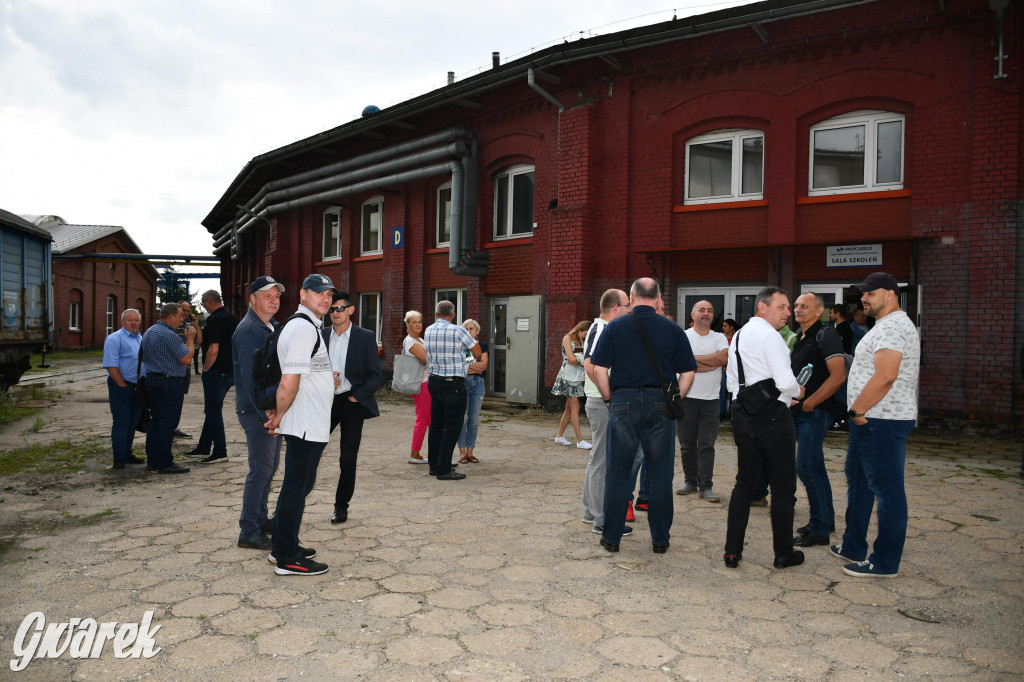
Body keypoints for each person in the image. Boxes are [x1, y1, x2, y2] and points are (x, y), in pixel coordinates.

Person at [590, 278, 696, 554]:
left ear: (632, 296)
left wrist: (609, 399)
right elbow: (688, 371)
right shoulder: (673, 329)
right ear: (658, 297)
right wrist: (675, 398)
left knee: (618, 472)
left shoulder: (615, 327)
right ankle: (660, 540)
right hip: (660, 402)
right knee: (660, 473)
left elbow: (599, 369)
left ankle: (611, 538)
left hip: (622, 400)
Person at [833, 273, 920, 578]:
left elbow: (885, 376)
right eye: (863, 294)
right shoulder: (884, 325)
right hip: (871, 420)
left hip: (881, 420)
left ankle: (884, 562)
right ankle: (853, 545)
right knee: (859, 483)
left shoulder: (893, 327)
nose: (864, 299)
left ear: (890, 294)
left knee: (887, 491)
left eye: (870, 293)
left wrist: (857, 410)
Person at [724, 286, 805, 570]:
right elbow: (785, 382)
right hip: (772, 417)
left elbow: (732, 383)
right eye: (781, 307)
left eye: (788, 308)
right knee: (782, 487)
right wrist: (799, 391)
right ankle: (783, 554)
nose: (788, 313)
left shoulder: (739, 335)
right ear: (762, 307)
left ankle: (732, 552)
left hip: (741, 412)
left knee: (745, 484)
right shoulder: (771, 336)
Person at [264, 273, 337, 576]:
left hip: (309, 421)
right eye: (319, 293)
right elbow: (289, 379)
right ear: (303, 294)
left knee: (299, 486)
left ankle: (283, 544)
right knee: (296, 488)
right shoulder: (302, 328)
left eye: (329, 295)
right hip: (305, 422)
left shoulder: (309, 326)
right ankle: (287, 558)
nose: (326, 299)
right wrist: (279, 416)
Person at [789, 292, 846, 548]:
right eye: (796, 305)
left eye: (804, 305)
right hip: (803, 412)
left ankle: (819, 530)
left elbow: (838, 376)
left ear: (818, 311)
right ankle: (825, 519)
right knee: (816, 466)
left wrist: (811, 402)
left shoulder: (827, 335)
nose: (797, 309)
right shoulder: (800, 337)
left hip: (816, 411)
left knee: (806, 467)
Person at [234, 276, 285, 551]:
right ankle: (249, 531)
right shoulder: (249, 331)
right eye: (267, 296)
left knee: (269, 469)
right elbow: (250, 378)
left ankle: (260, 519)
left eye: (276, 296)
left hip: (269, 409)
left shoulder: (270, 326)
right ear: (252, 299)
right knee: (260, 471)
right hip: (259, 411)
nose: (274, 301)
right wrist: (267, 415)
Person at [325, 291, 382, 525]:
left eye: (340, 308)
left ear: (351, 310)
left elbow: (375, 375)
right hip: (324, 402)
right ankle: (293, 503)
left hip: (351, 402)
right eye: (331, 309)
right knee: (309, 453)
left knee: (347, 458)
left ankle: (341, 507)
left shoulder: (364, 336)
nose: (335, 313)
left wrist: (356, 397)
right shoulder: (321, 335)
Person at [582, 289, 631, 533]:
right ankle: (601, 520)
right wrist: (608, 396)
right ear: (615, 308)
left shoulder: (600, 328)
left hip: (598, 399)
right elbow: (590, 365)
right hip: (601, 401)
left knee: (597, 458)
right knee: (602, 461)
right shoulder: (602, 329)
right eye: (627, 305)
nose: (629, 310)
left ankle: (591, 512)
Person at [675, 300, 729, 502]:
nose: (706, 313)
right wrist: (710, 361)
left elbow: (723, 359)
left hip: (711, 401)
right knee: (687, 444)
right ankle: (690, 482)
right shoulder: (683, 336)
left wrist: (693, 359)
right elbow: (680, 363)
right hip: (686, 399)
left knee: (707, 444)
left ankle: (706, 486)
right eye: (702, 310)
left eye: (710, 310)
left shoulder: (719, 337)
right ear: (693, 314)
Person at [423, 300, 481, 480]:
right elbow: (477, 351)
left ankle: (434, 465)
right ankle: (444, 469)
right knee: (452, 426)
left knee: (436, 425)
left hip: (434, 381)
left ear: (436, 314)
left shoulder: (428, 330)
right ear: (453, 315)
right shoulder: (458, 330)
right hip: (453, 383)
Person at [140, 303, 196, 474]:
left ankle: (152, 460)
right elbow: (187, 359)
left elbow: (142, 356)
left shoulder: (149, 331)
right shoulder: (169, 334)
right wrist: (190, 339)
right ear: (170, 316)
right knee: (167, 423)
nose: (182, 320)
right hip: (169, 383)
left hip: (152, 380)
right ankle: (165, 462)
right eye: (179, 316)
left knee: (156, 421)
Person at [184, 290, 238, 463]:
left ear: (208, 301)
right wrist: (197, 326)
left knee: (213, 411)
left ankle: (220, 451)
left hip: (216, 371)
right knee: (212, 409)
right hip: (229, 371)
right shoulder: (231, 318)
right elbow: (202, 342)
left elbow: (213, 349)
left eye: (203, 303)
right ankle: (204, 447)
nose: (203, 306)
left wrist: (206, 369)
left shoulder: (215, 320)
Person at [102, 309, 145, 469]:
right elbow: (111, 365)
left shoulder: (140, 338)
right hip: (121, 386)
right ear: (122, 322)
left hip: (138, 386)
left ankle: (127, 454)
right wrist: (122, 385)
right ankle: (119, 458)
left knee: (132, 422)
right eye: (129, 320)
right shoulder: (114, 339)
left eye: (136, 320)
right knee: (121, 422)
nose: (133, 323)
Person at [552, 320, 593, 449]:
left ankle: (559, 436)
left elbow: (581, 358)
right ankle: (580, 441)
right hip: (568, 376)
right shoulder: (567, 338)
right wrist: (581, 361)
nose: (585, 336)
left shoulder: (581, 340)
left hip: (577, 377)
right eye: (584, 333)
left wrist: (579, 360)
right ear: (579, 329)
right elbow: (570, 359)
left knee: (569, 409)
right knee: (576, 406)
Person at [457, 319, 489, 464]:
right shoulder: (460, 345)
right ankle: (462, 452)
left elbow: (484, 366)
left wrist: (468, 365)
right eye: (466, 329)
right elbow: (460, 366)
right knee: (462, 419)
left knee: (474, 420)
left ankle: (470, 452)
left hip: (478, 384)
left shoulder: (482, 345)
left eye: (471, 329)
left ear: (477, 331)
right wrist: (475, 365)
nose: (469, 331)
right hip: (463, 383)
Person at [402, 310, 430, 464]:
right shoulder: (410, 342)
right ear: (407, 324)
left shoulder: (420, 340)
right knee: (422, 419)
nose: (418, 324)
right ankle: (414, 454)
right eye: (414, 322)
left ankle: (438, 454)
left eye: (419, 321)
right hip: (421, 384)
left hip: (426, 383)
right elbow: (428, 360)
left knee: (431, 420)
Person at [171, 301, 200, 439]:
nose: (186, 313)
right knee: (170, 400)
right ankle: (168, 429)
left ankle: (174, 427)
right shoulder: (171, 327)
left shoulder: (189, 327)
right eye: (183, 310)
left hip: (186, 368)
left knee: (179, 400)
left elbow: (199, 342)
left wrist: (196, 325)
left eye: (188, 311)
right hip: (173, 369)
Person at [720, 318, 737, 420]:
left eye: (725, 326)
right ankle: (722, 412)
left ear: (731, 327)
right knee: (723, 390)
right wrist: (723, 366)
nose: (723, 328)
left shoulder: (736, 338)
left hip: (733, 369)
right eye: (723, 326)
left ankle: (731, 412)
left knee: (732, 390)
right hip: (723, 369)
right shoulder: (721, 338)